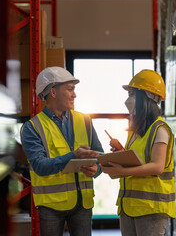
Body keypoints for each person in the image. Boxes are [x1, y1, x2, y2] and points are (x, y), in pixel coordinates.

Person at [21, 66, 103, 236]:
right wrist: (73, 156)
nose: (74, 94)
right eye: (70, 89)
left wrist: (97, 169)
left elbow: (99, 155)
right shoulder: (32, 128)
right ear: (53, 92)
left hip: (83, 204)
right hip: (51, 207)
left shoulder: (85, 120)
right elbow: (39, 166)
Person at [100, 69, 175, 236]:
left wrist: (123, 171)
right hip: (129, 206)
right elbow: (140, 158)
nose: (128, 99)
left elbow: (157, 166)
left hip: (151, 209)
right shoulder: (136, 130)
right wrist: (121, 152)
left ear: (146, 97)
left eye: (133, 94)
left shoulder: (160, 129)